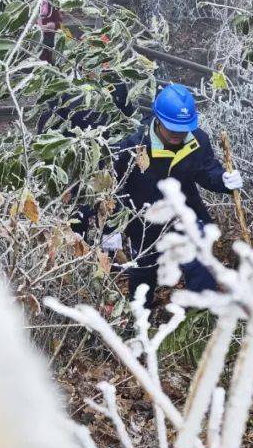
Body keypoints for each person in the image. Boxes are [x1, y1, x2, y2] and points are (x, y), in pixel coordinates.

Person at [101, 83, 243, 308]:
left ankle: (198, 319)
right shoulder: (132, 145)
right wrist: (110, 229)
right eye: (173, 128)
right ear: (158, 119)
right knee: (143, 277)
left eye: (183, 128)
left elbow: (208, 171)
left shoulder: (197, 140)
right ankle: (139, 323)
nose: (179, 134)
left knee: (201, 266)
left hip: (184, 216)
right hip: (143, 222)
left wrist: (224, 180)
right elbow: (114, 188)